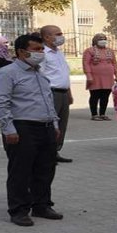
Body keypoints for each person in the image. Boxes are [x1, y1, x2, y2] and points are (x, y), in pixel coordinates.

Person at [0, 34, 63, 226]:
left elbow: (47, 101)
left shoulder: (39, 73)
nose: (41, 53)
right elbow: (1, 103)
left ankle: (41, 205)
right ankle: (19, 210)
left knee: (45, 169)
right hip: (22, 127)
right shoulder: (7, 73)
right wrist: (8, 129)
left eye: (41, 49)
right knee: (20, 171)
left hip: (45, 126)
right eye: (36, 49)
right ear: (22, 52)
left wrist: (55, 125)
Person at [39, 25, 73, 162]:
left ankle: (56, 151)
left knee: (62, 124)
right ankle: (46, 153)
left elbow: (64, 74)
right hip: (51, 92)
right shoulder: (43, 53)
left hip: (63, 92)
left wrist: (69, 93)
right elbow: (40, 75)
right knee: (51, 124)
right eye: (58, 34)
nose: (61, 36)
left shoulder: (59, 52)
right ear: (47, 37)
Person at [83, 33, 117, 121]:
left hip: (108, 77)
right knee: (95, 95)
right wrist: (88, 75)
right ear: (95, 41)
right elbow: (86, 63)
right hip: (95, 77)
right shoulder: (89, 51)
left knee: (105, 96)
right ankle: (94, 114)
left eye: (104, 38)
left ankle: (102, 113)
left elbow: (114, 63)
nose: (103, 40)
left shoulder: (110, 51)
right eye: (100, 39)